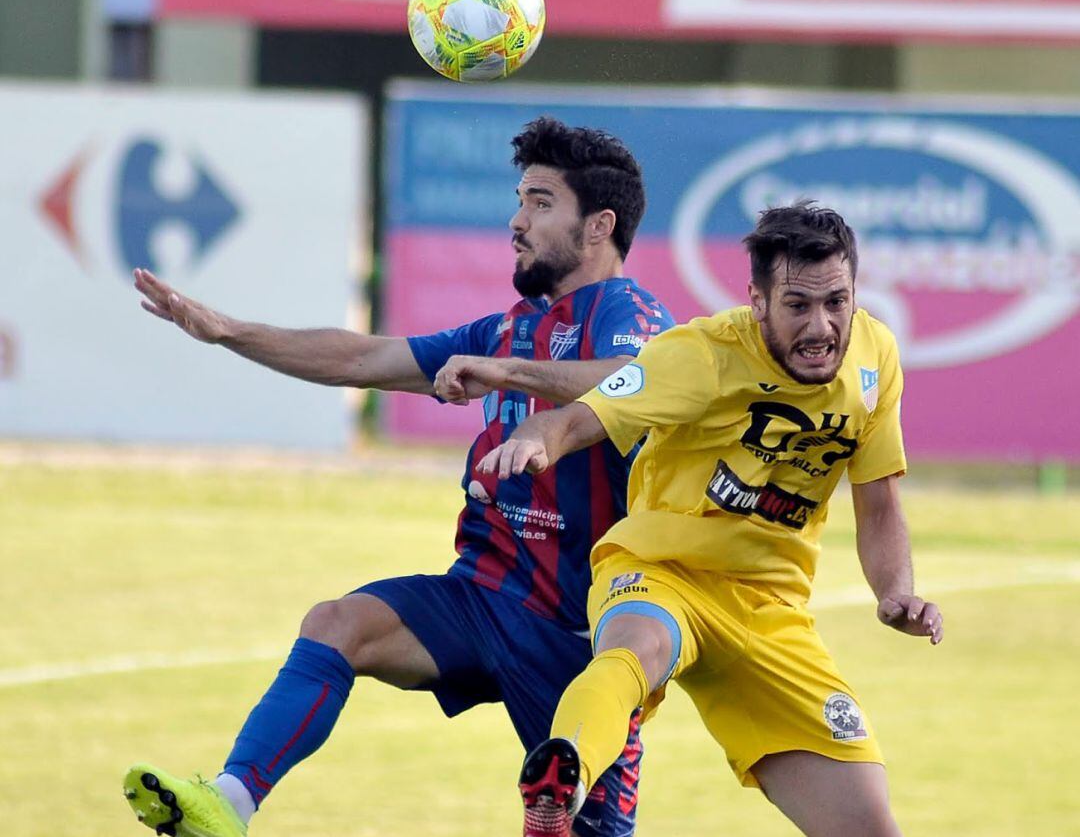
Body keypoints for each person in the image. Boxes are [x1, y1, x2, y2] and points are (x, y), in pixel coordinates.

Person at [121, 116, 674, 837]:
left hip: (577, 640)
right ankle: (229, 801)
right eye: (520, 198)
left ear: (599, 226)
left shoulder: (633, 316)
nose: (517, 219)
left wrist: (509, 374)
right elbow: (359, 359)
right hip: (482, 599)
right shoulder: (506, 328)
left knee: (585, 829)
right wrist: (230, 332)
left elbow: (640, 380)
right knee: (338, 623)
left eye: (541, 203)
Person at [479, 202, 944, 837]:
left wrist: (896, 593)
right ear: (756, 301)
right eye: (798, 306)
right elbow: (581, 416)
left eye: (837, 302)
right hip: (663, 573)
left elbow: (880, 501)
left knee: (871, 828)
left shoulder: (875, 358)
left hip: (772, 609)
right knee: (634, 651)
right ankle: (562, 786)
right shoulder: (701, 356)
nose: (822, 326)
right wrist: (540, 440)